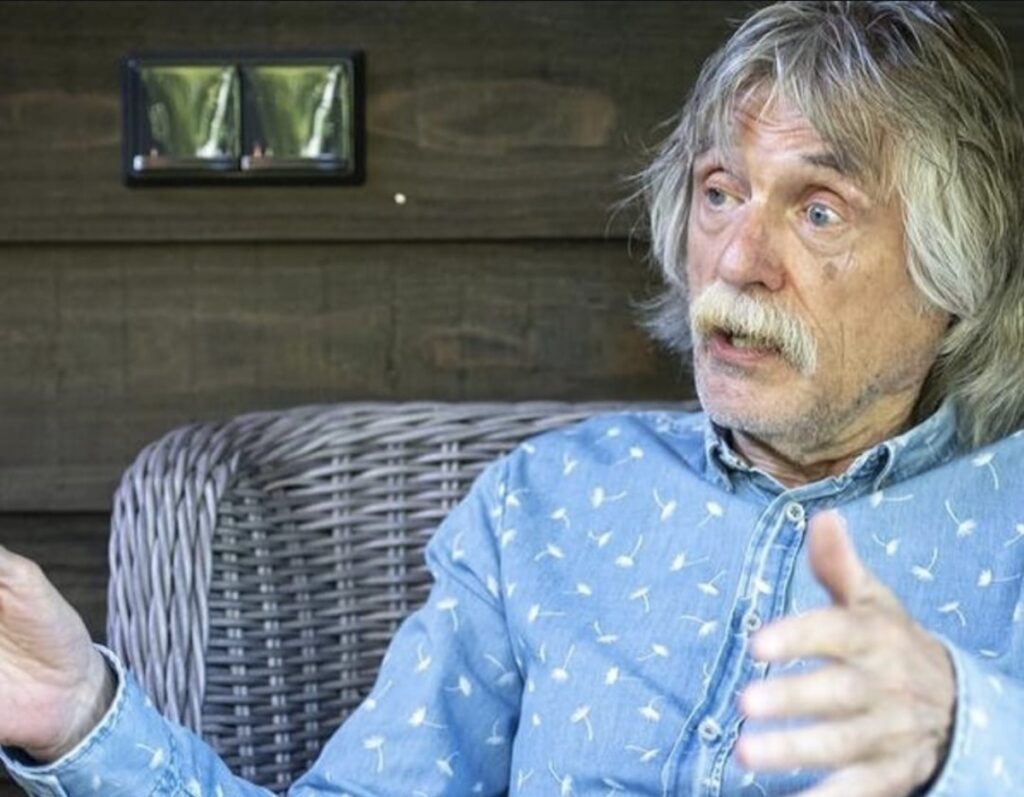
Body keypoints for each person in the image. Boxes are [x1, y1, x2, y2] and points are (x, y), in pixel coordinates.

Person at [2, 1, 1023, 794]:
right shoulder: (550, 501)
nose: (736, 259)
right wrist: (81, 714)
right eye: (719, 192)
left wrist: (963, 734)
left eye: (818, 209)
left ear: (954, 272)